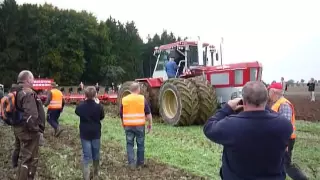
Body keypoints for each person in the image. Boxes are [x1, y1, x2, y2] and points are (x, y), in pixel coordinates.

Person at [203, 81, 293, 180]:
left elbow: (208, 127)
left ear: (244, 101)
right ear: (266, 99)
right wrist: (263, 106)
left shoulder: (230, 125)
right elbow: (275, 117)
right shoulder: (284, 126)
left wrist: (227, 108)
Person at [269, 82, 308, 180]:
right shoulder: (277, 103)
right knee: (279, 164)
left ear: (273, 92)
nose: (268, 93)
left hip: (286, 140)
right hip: (280, 139)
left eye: (269, 91)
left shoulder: (284, 105)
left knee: (286, 165)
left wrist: (284, 143)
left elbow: (285, 126)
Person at [13, 70, 46, 180]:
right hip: (28, 131)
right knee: (29, 158)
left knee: (23, 156)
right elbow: (31, 115)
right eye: (32, 79)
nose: (33, 81)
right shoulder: (28, 93)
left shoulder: (16, 90)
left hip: (18, 127)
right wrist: (36, 130)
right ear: (27, 79)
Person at [120, 82, 152, 168]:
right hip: (140, 126)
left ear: (130, 90)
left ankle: (131, 164)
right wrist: (150, 125)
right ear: (138, 89)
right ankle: (140, 164)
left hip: (128, 125)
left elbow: (121, 114)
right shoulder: (142, 99)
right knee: (140, 144)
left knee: (129, 144)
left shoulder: (124, 99)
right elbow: (148, 114)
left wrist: (123, 124)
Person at [75, 86, 105, 180]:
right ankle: (96, 174)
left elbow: (77, 112)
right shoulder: (99, 106)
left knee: (87, 156)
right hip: (96, 133)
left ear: (85, 95)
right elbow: (102, 117)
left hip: (84, 133)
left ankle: (86, 177)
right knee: (96, 154)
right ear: (95, 94)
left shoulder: (81, 106)